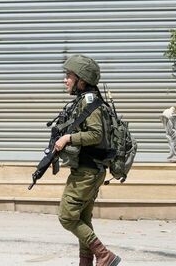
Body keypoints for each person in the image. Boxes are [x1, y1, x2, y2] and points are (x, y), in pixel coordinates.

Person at [52, 54, 121, 266]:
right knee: (82, 218)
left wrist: (68, 138)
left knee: (67, 217)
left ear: (81, 80)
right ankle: (86, 262)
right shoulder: (87, 100)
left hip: (87, 172)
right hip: (91, 170)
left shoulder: (89, 102)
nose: (65, 80)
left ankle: (104, 254)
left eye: (69, 75)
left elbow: (95, 134)